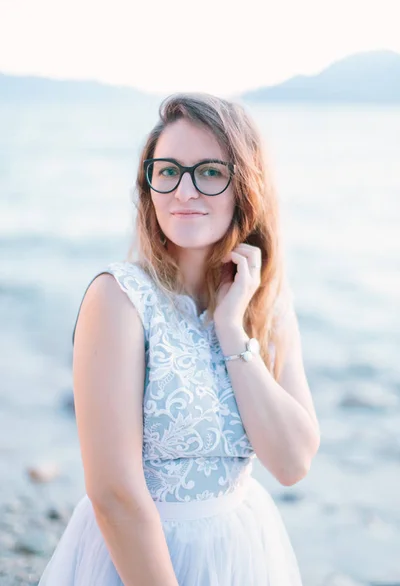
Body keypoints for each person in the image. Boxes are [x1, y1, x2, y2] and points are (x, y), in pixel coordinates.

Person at [38, 92, 320, 586]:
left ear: (245, 188)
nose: (184, 191)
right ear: (149, 186)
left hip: (241, 552)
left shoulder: (265, 302)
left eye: (210, 172)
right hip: (138, 562)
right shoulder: (119, 300)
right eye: (167, 170)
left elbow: (292, 462)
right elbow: (114, 495)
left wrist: (233, 331)